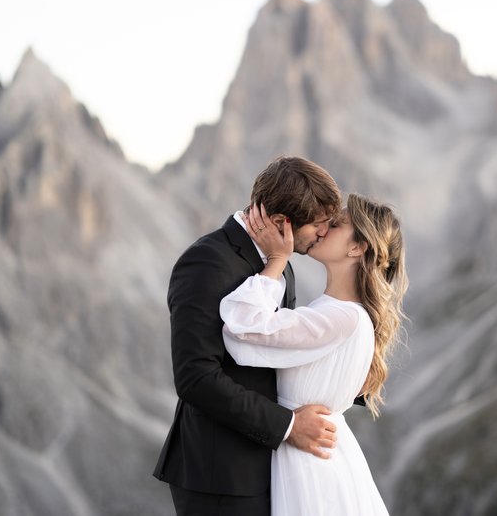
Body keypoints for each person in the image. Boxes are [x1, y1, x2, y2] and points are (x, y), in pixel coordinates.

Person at [153, 156, 344, 516]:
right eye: (319, 224)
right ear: (280, 223)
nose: (325, 232)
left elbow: (280, 352)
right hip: (219, 476)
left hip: (264, 468)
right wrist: (287, 426)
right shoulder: (206, 262)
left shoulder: (280, 262)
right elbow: (196, 377)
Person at [220, 193, 408, 515]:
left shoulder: (342, 317)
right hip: (319, 457)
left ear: (356, 248)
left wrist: (277, 260)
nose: (322, 229)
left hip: (310, 465)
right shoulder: (343, 313)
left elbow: (243, 324)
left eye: (335, 225)